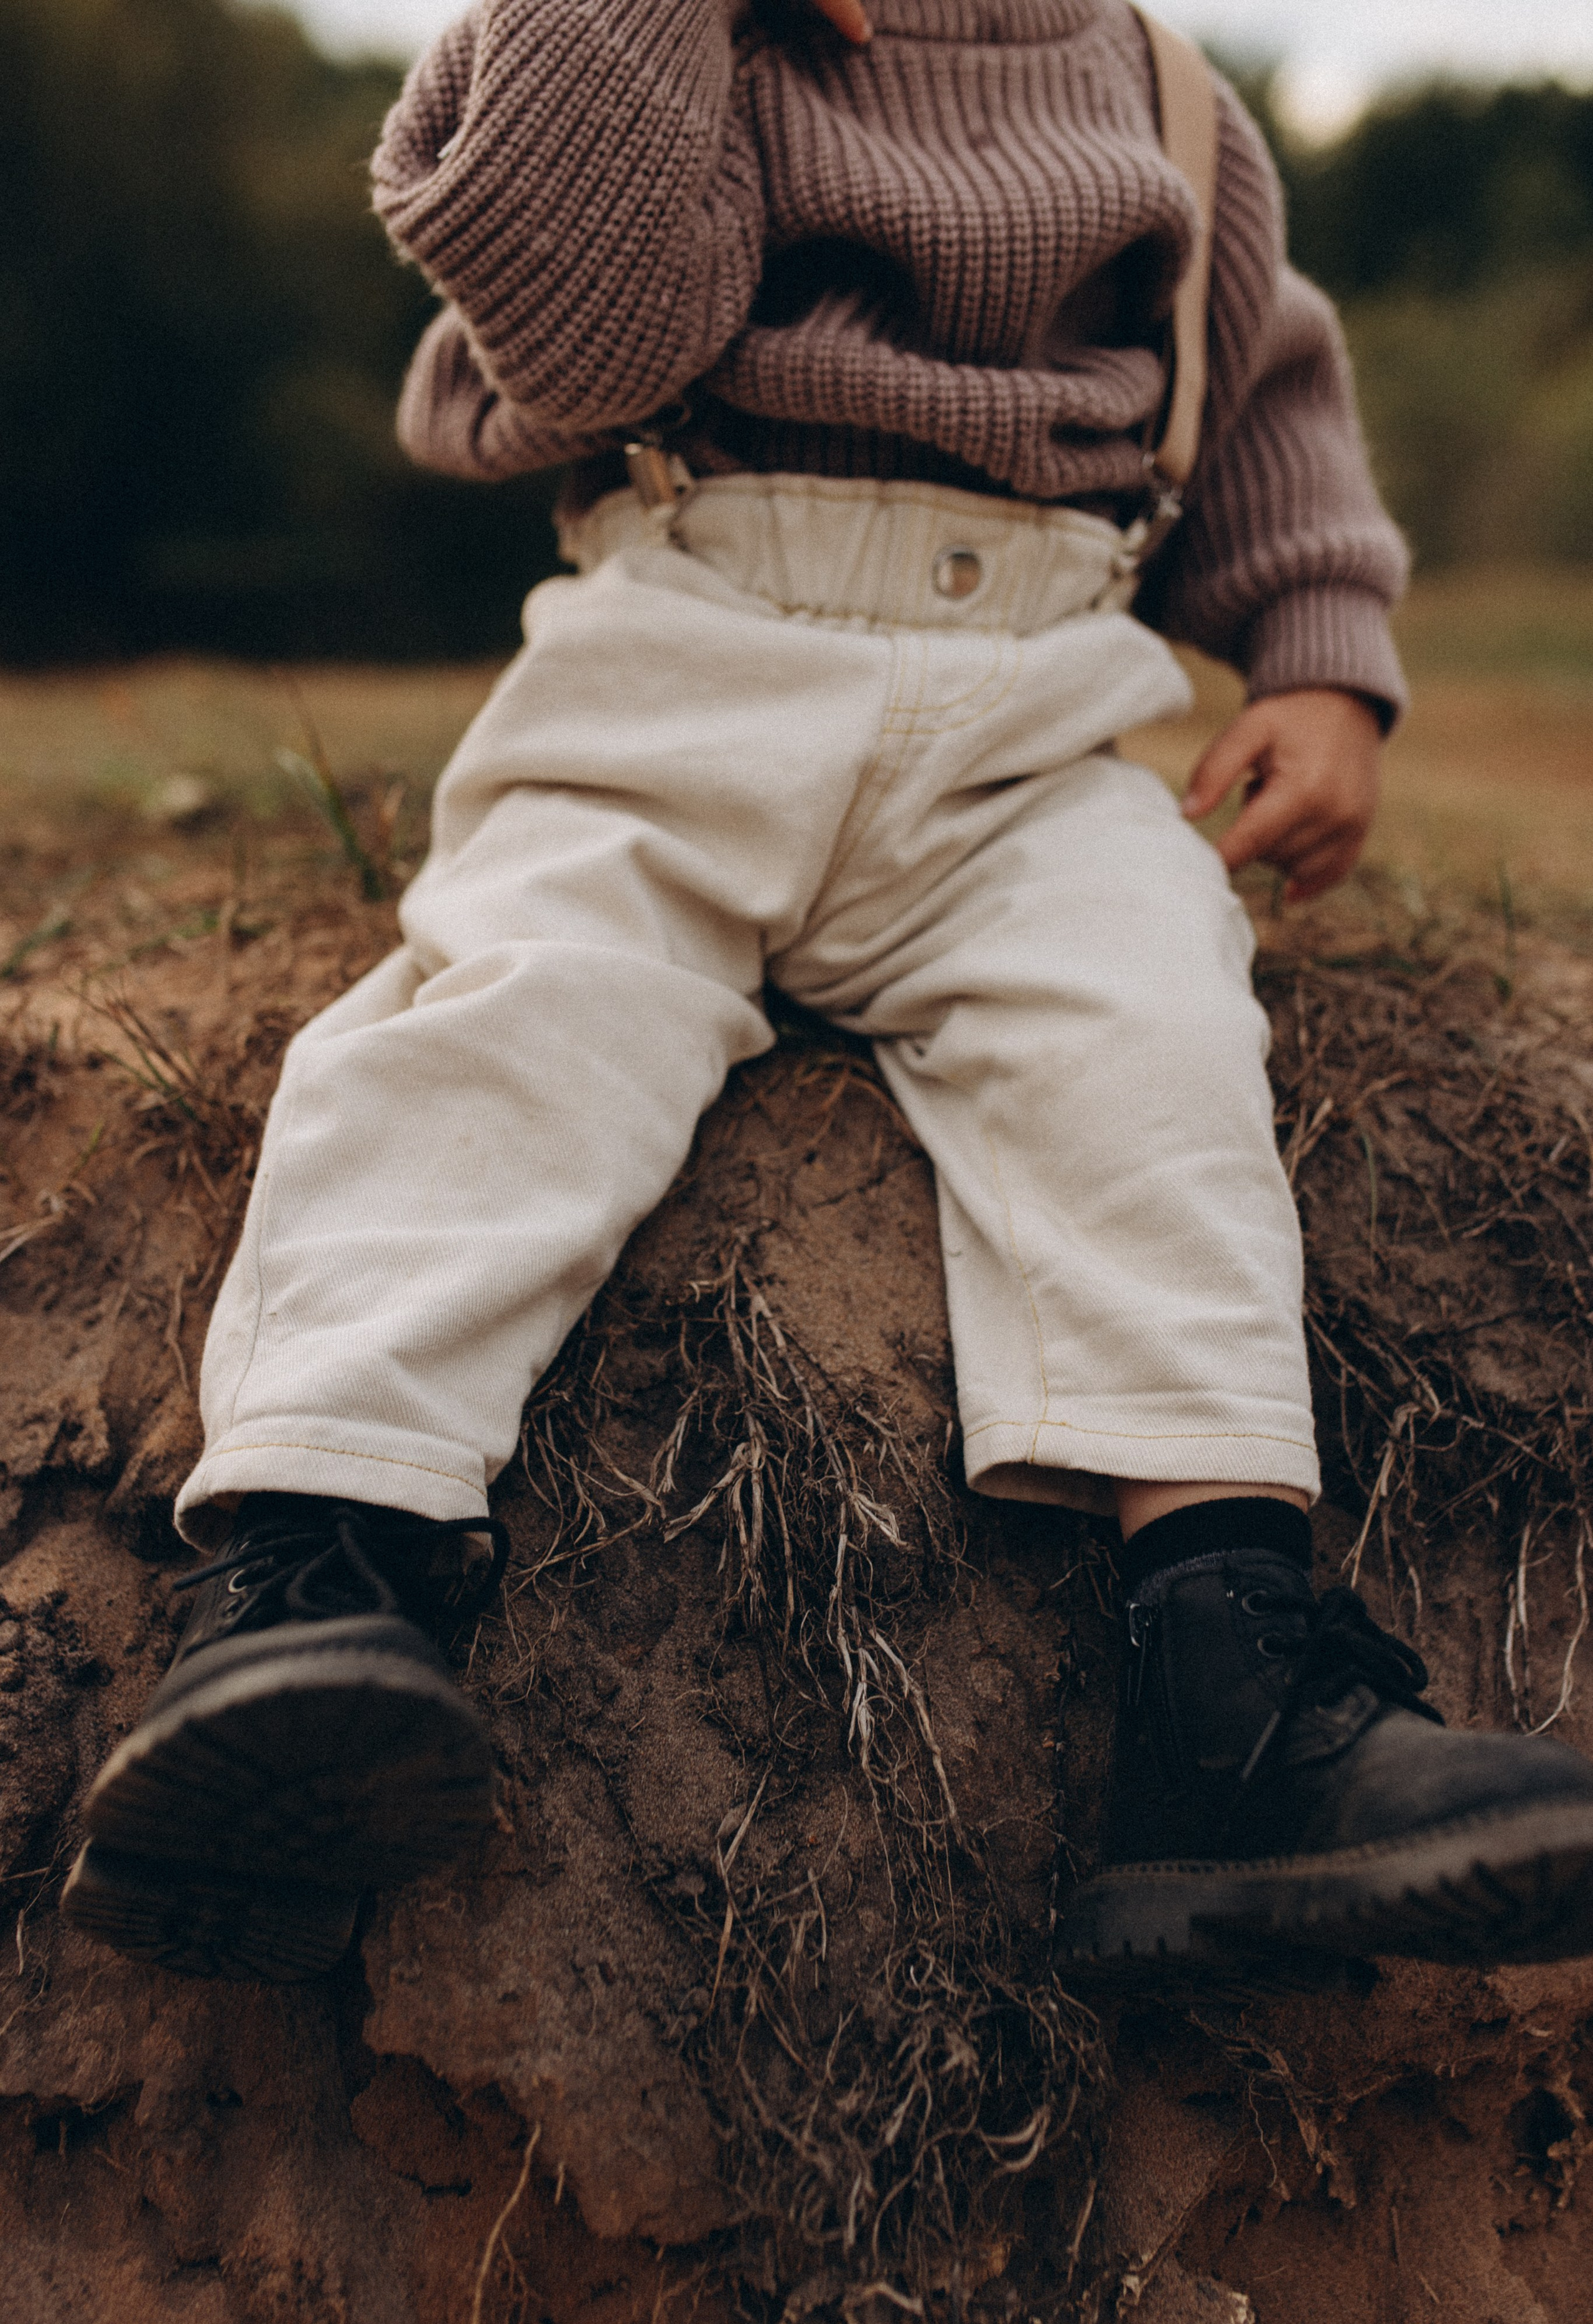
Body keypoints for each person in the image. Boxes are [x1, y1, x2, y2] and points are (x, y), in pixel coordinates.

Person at [63, 0, 1593, 1982]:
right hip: (686, 653)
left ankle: (1234, 1694)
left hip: (1035, 705)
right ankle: (312, 1578)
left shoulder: (1161, 91)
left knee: (1153, 1035)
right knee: (513, 1014)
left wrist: (1316, 648)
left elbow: (1263, 381)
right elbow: (580, 329)